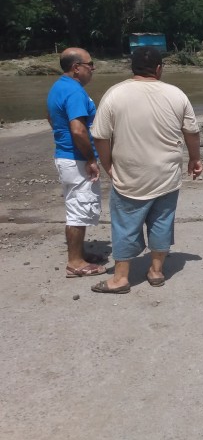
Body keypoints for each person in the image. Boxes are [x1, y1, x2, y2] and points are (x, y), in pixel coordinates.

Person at [89, 47, 202, 294]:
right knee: (162, 222)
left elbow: (99, 136)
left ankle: (120, 278)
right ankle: (156, 271)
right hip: (166, 174)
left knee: (125, 224)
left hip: (129, 175)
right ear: (159, 69)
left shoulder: (114, 94)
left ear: (132, 68)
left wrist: (107, 165)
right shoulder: (176, 94)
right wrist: (195, 159)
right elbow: (192, 132)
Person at [47, 47, 107, 278]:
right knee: (78, 210)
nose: (93, 68)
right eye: (90, 64)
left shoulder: (59, 86)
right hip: (77, 159)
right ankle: (75, 263)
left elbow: (50, 117)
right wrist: (91, 158)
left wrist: (63, 140)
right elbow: (79, 130)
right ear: (76, 68)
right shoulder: (74, 92)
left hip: (67, 155)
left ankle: (79, 253)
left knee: (77, 206)